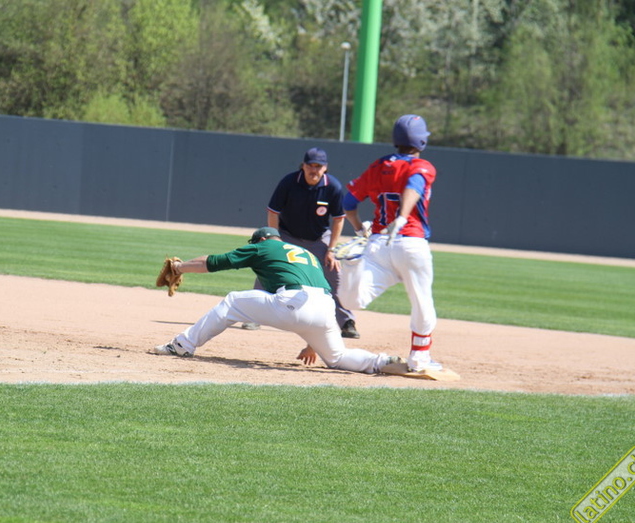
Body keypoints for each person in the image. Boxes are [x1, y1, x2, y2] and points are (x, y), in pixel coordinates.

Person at [152, 226, 399, 374]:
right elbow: (314, 295)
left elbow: (213, 262)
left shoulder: (262, 247)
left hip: (293, 302)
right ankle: (381, 362)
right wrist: (312, 343)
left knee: (232, 302)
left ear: (260, 240)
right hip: (326, 309)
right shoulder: (307, 254)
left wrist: (179, 267)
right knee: (337, 358)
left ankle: (183, 345)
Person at [338, 114, 443, 373]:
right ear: (421, 141)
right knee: (422, 302)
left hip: (378, 244)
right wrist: (403, 216)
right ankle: (419, 359)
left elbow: (348, 202)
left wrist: (357, 227)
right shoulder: (423, 166)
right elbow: (413, 186)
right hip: (411, 244)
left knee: (353, 301)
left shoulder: (379, 165)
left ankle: (351, 265)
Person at [241, 147, 360, 339]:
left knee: (334, 272)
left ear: (325, 168)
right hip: (288, 235)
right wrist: (275, 242)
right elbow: (273, 212)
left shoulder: (332, 186)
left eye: (319, 166)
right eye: (310, 165)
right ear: (303, 166)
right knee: (270, 266)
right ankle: (254, 315)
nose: (314, 170)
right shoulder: (289, 182)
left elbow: (339, 219)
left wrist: (331, 250)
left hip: (318, 237)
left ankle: (346, 322)